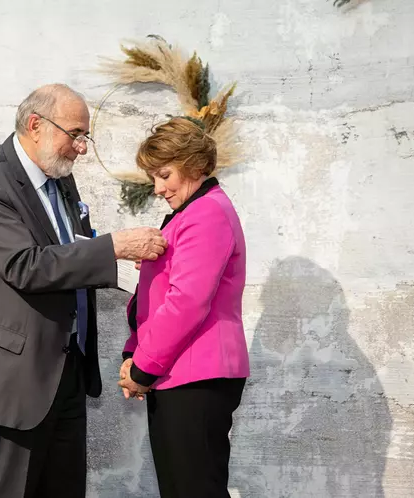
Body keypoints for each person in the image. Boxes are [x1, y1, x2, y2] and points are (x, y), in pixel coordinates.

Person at [0, 83, 167, 498]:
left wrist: (117, 260)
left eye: (85, 136)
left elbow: (70, 249)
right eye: (76, 134)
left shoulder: (59, 178)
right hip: (11, 380)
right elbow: (24, 265)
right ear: (36, 125)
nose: (82, 147)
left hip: (65, 370)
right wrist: (113, 247)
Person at [118, 117, 250, 498]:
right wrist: (134, 355)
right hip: (182, 373)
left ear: (193, 164)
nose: (158, 189)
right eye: (154, 178)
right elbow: (156, 295)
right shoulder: (192, 212)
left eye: (164, 175)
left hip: (197, 376)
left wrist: (142, 368)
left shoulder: (206, 213)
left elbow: (186, 303)